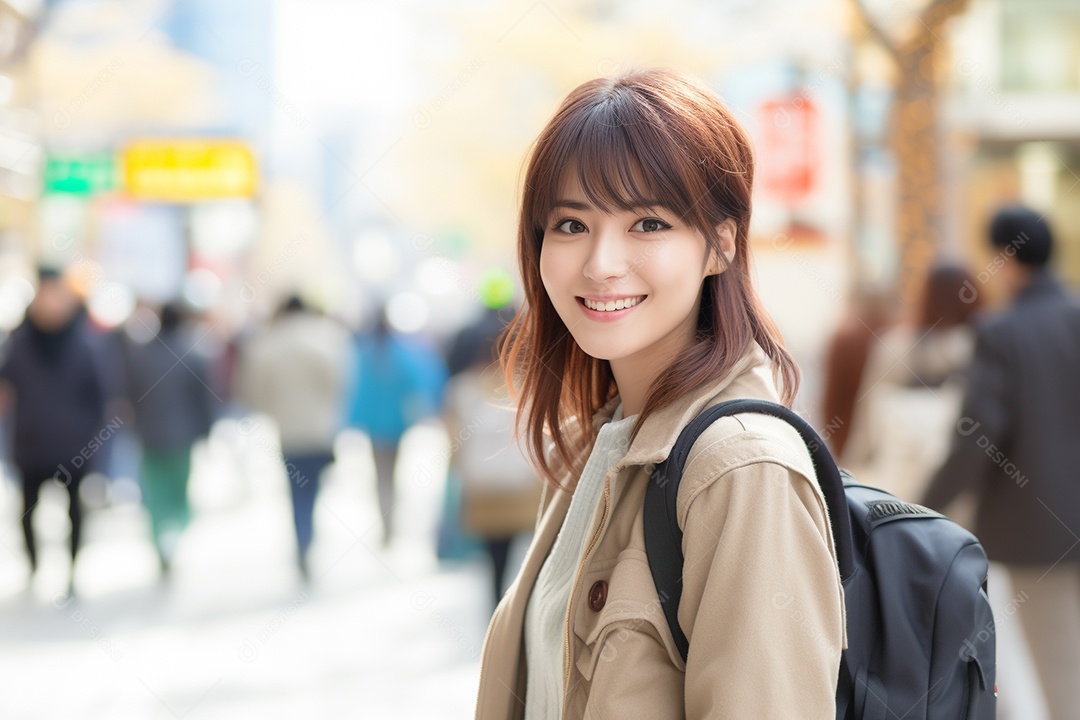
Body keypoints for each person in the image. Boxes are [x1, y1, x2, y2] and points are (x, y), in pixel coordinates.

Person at [475, 70, 845, 719]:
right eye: (569, 224)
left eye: (647, 223)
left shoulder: (739, 467)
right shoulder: (606, 444)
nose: (600, 263)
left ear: (720, 244)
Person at [921, 206, 1080, 720]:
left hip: (1042, 535)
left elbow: (976, 440)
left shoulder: (1003, 332)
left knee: (1064, 674)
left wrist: (921, 509)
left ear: (1005, 260)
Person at [0, 268, 108, 581]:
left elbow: (100, 394)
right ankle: (34, 568)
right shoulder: (19, 342)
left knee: (74, 511)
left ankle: (71, 571)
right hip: (31, 444)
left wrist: (93, 439)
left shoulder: (83, 342)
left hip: (73, 445)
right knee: (27, 511)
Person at [841, 262, 982, 503]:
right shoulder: (981, 350)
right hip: (964, 487)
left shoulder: (895, 347)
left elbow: (866, 421)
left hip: (902, 480)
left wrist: (848, 469)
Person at [236, 295, 352, 578]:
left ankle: (303, 537)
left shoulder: (267, 342)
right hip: (320, 429)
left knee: (296, 489)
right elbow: (340, 383)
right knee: (312, 489)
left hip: (286, 430)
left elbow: (253, 389)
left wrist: (271, 410)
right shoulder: (326, 338)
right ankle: (307, 536)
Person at [121, 302, 218, 575]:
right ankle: (173, 535)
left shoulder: (140, 354)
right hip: (182, 437)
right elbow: (205, 400)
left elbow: (128, 395)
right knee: (179, 492)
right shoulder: (194, 353)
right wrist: (207, 431)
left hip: (149, 435)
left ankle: (162, 538)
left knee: (155, 493)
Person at [347, 308, 446, 546]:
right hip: (396, 425)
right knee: (391, 474)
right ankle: (389, 522)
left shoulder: (365, 353)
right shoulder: (402, 353)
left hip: (374, 426)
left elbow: (355, 391)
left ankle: (386, 524)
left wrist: (353, 421)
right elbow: (417, 383)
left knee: (381, 476)